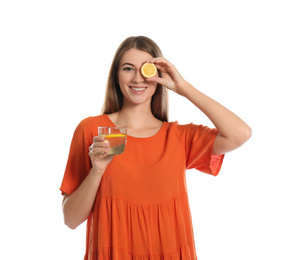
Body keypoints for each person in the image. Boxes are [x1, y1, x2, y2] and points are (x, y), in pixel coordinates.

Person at [60, 36, 251, 259]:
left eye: (147, 69)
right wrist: (97, 170)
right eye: (128, 68)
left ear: (158, 76)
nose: (138, 78)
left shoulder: (177, 137)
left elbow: (240, 133)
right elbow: (71, 220)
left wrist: (183, 87)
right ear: (116, 75)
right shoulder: (93, 130)